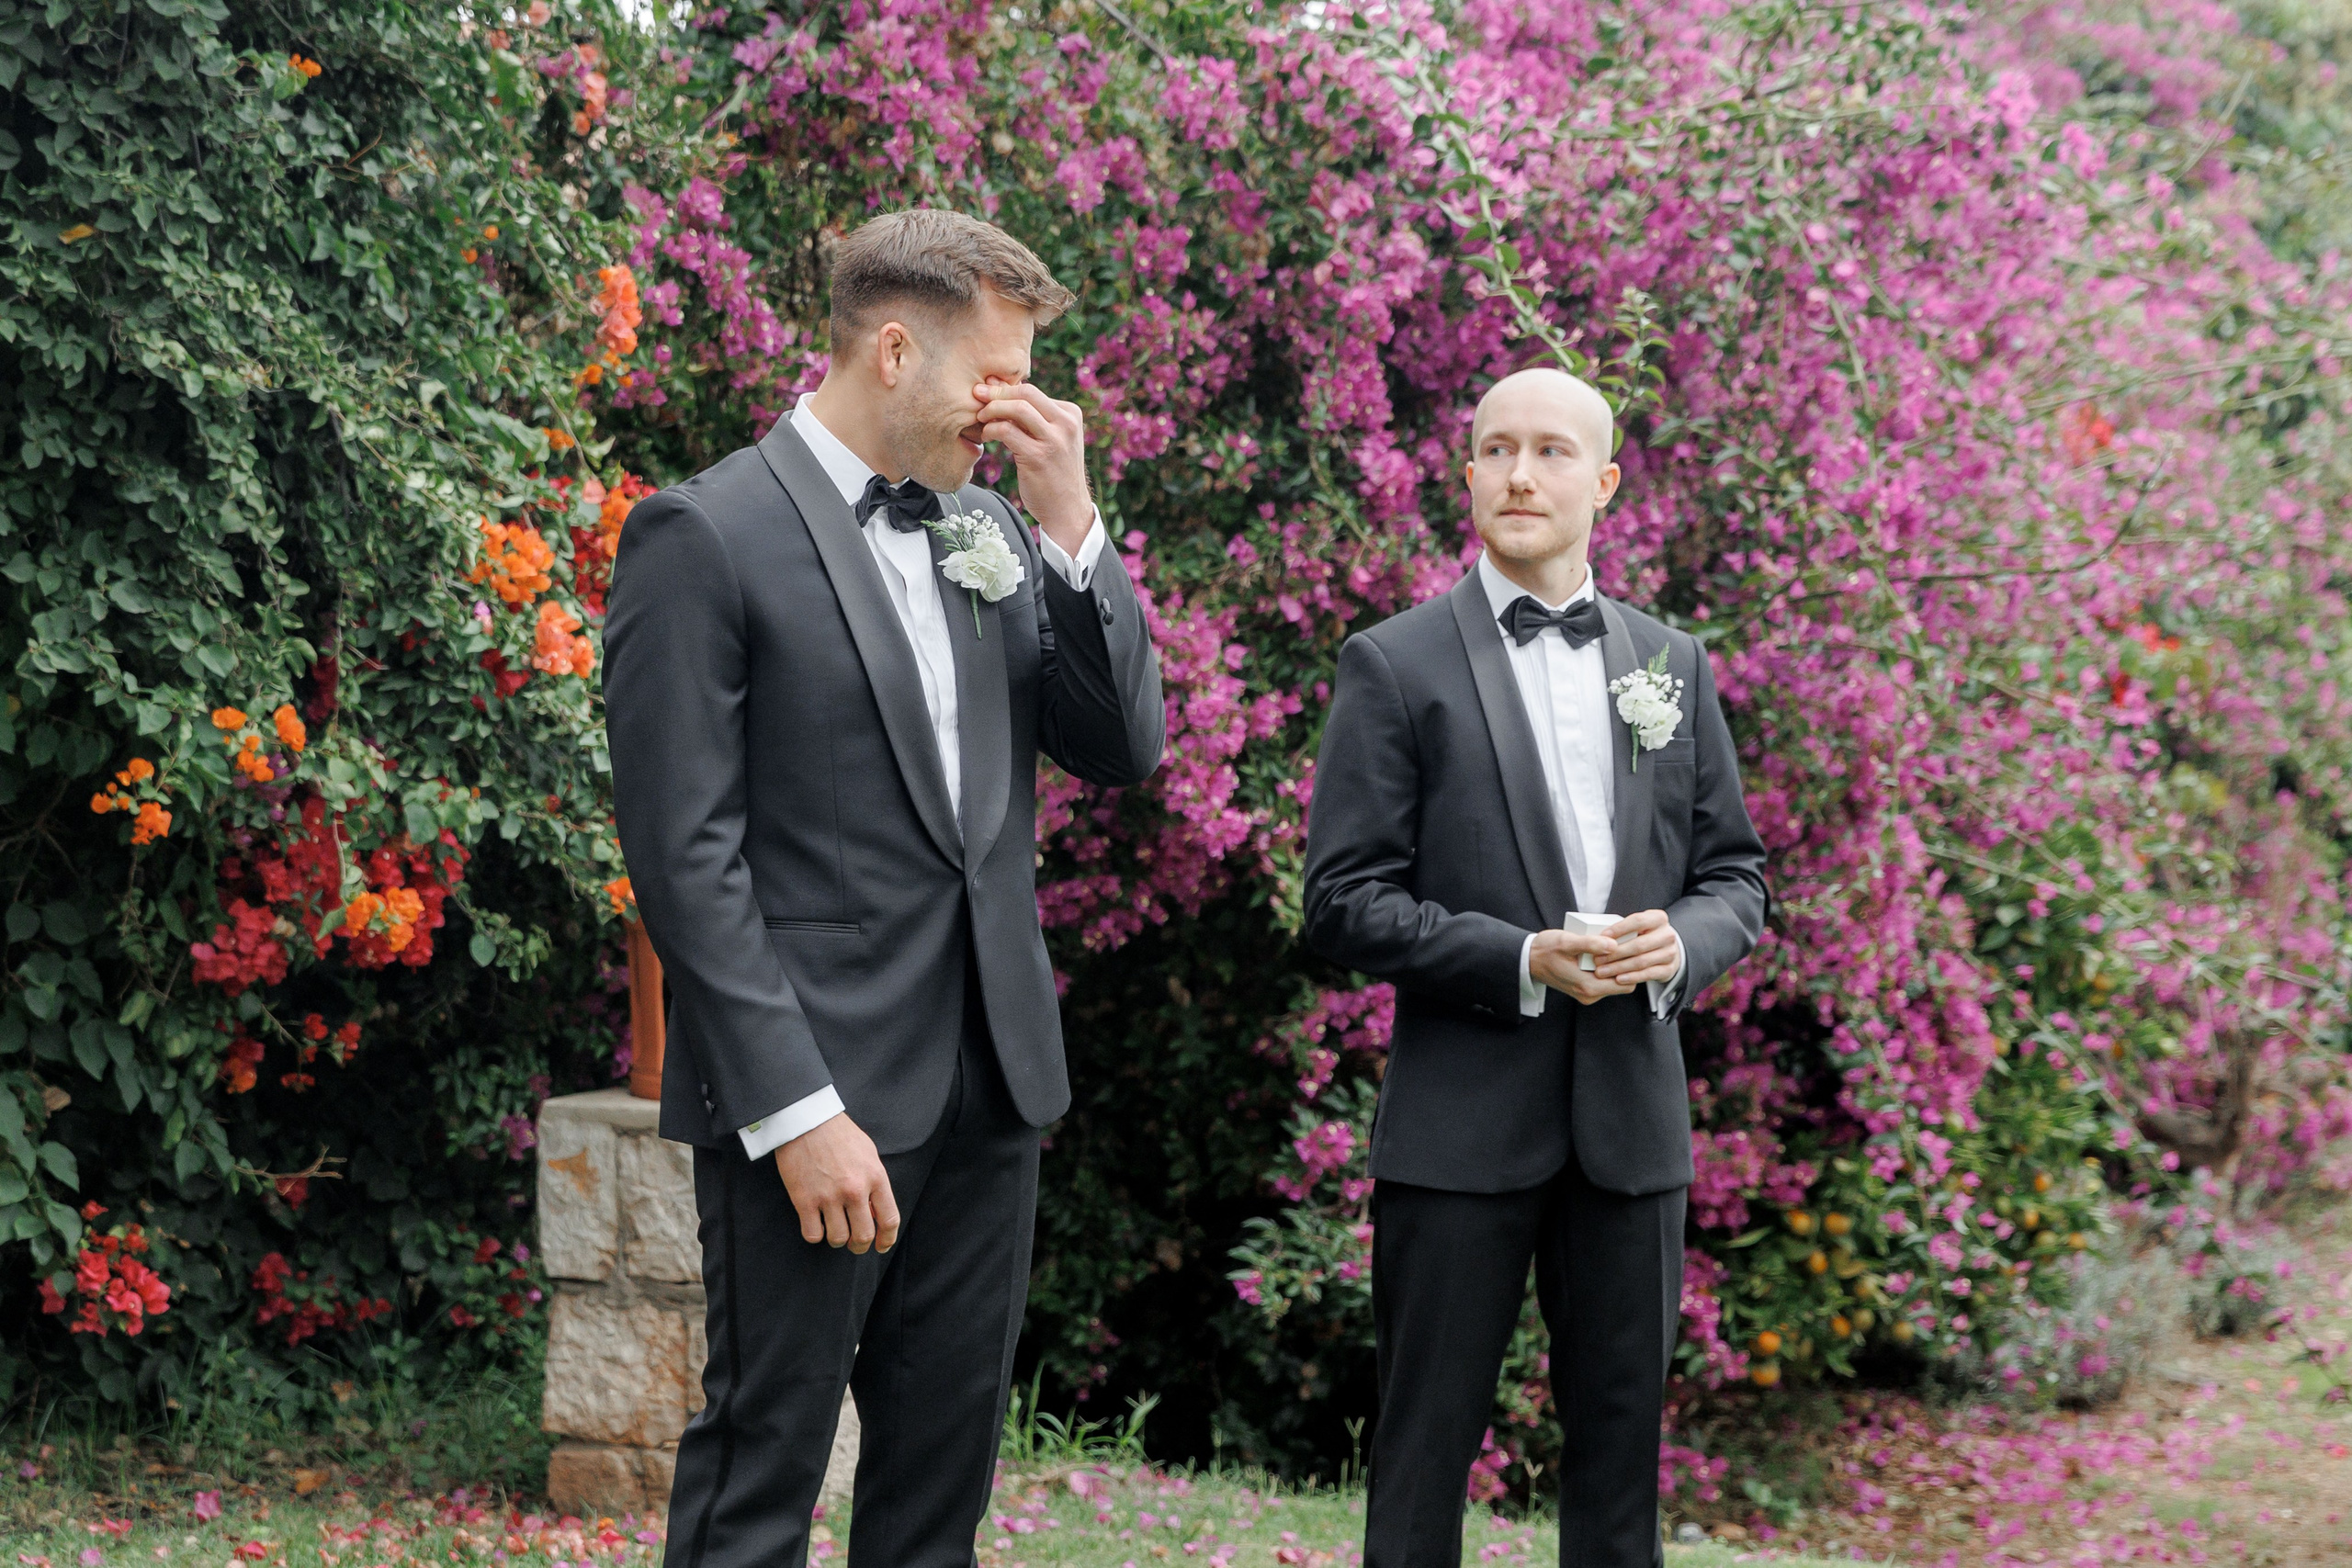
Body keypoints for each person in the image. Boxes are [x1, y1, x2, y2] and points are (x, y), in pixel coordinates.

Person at [604, 209, 1164, 1568]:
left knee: (935, 1503)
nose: (1014, 407)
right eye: (998, 375)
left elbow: (1122, 747)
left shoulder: (990, 526)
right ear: (896, 350)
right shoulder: (705, 534)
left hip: (990, 1090)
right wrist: (795, 1113)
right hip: (818, 1104)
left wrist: (1072, 522)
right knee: (761, 1483)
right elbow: (686, 858)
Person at [1301, 367, 1768, 1568]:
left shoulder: (1674, 664)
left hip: (1631, 1129)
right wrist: (1519, 959)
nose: (1521, 474)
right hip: (1459, 1134)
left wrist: (1682, 946)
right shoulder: (1394, 666)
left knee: (1620, 1459)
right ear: (1465, 475)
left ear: (1604, 481)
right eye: (1497, 450)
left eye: (1553, 452)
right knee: (1421, 1455)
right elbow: (1342, 905)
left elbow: (1737, 881)